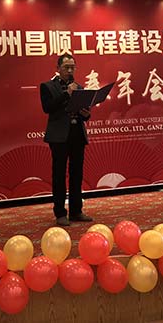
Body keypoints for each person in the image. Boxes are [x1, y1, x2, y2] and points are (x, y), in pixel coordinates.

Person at [40, 53, 93, 226]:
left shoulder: (79, 87)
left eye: (72, 67)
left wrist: (86, 113)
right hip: (58, 137)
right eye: (66, 67)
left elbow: (84, 114)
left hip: (77, 134)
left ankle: (76, 211)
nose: (70, 71)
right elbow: (48, 108)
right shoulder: (47, 86)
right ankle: (60, 213)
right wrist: (66, 94)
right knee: (59, 175)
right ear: (58, 68)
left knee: (77, 174)